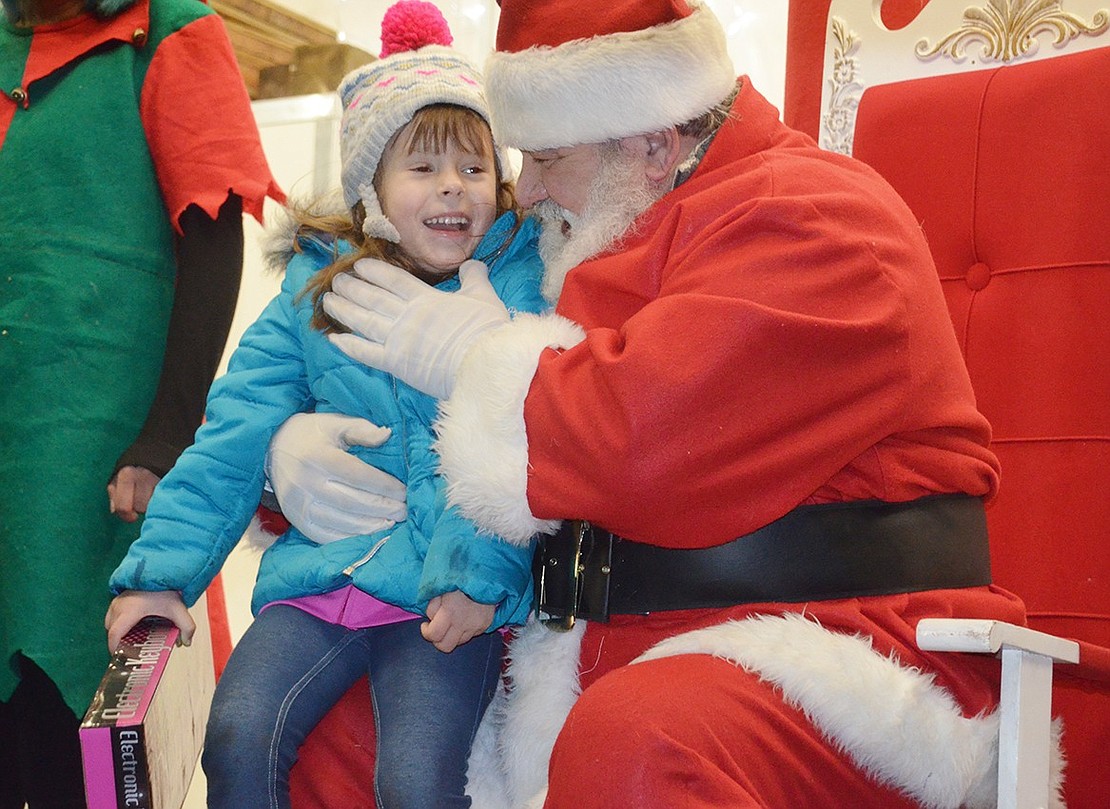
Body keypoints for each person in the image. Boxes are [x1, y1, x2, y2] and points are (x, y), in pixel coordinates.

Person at [270, 0, 1054, 807]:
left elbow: (633, 444)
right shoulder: (590, 221)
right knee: (328, 739)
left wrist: (469, 358)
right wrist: (285, 455)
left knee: (636, 746)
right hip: (581, 644)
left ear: (652, 145)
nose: (525, 186)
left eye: (545, 155)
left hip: (830, 645)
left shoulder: (816, 215)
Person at [105, 3, 547, 807]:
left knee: (418, 780)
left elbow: (517, 443)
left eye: (474, 167)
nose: (453, 185)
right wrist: (161, 573)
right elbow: (233, 431)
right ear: (369, 190)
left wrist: (475, 578)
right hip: (320, 578)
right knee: (238, 734)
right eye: (422, 167)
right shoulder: (315, 293)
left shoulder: (515, 285)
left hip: (440, 588)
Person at [0, 0, 281, 806]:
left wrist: (165, 436)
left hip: (95, 455)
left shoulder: (169, 33)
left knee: (75, 731)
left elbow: (215, 234)